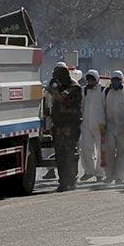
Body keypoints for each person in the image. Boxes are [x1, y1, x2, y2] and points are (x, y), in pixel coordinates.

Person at [48, 64, 83, 192]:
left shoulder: (74, 87)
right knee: (60, 155)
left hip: (70, 126)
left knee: (69, 155)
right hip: (59, 125)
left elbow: (62, 98)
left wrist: (53, 89)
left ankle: (70, 180)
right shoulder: (61, 86)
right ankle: (63, 181)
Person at [102, 70, 124, 185]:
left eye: (117, 80)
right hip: (110, 126)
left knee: (123, 153)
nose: (115, 82)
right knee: (108, 152)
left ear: (122, 81)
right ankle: (109, 175)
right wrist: (102, 124)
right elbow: (102, 108)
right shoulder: (106, 92)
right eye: (113, 80)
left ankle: (119, 177)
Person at [80, 69, 106, 183]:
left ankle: (100, 173)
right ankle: (88, 171)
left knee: (101, 150)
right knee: (85, 148)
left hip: (100, 125)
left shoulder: (103, 91)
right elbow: (81, 106)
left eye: (92, 79)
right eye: (88, 79)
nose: (90, 81)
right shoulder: (84, 90)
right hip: (86, 124)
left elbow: (107, 107)